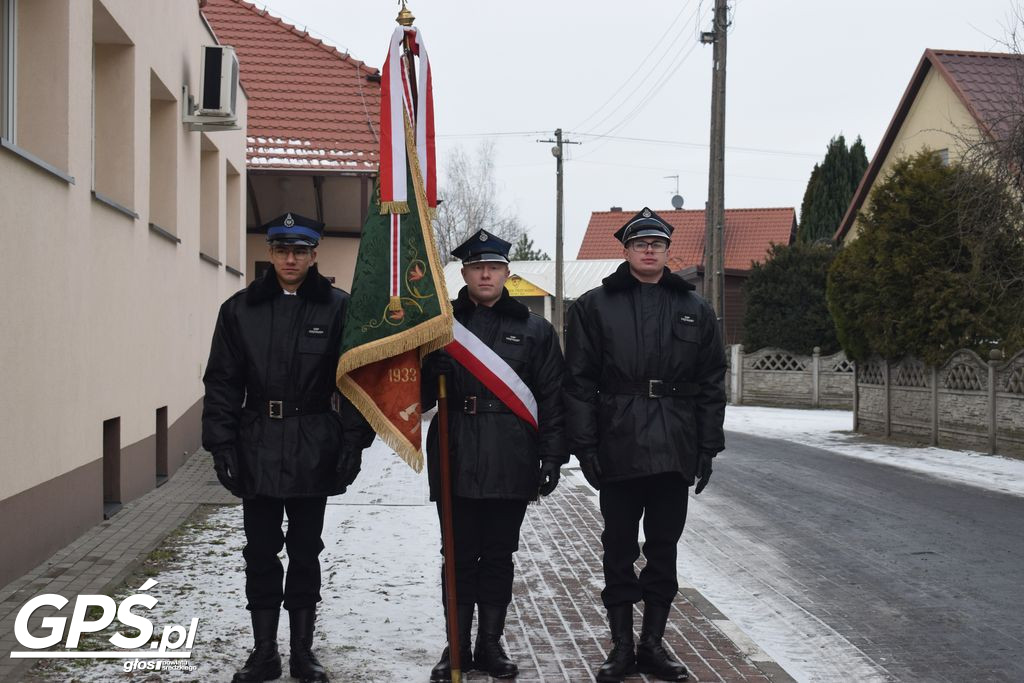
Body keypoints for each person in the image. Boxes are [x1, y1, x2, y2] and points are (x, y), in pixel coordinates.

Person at [202, 212, 375, 683]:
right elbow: (221, 382)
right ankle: (263, 653)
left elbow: (358, 381)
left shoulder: (339, 308)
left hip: (313, 442)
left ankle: (302, 652)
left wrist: (353, 443)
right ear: (271, 252)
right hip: (255, 441)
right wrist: (221, 446)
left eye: (300, 250)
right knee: (259, 552)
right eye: (282, 250)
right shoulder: (239, 309)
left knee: (304, 551)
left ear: (314, 254)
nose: (291, 259)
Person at [563, 207, 726, 683]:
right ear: (627, 250)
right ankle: (620, 647)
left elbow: (712, 381)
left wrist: (707, 446)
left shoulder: (695, 309)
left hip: (675, 445)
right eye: (640, 244)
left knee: (663, 550)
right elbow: (578, 383)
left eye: (657, 244)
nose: (649, 250)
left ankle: (652, 643)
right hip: (619, 443)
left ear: (668, 251)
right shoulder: (595, 306)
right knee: (617, 548)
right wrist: (585, 447)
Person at [421, 229, 567, 682]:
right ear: (462, 273)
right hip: (455, 448)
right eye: (476, 267)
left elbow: (553, 398)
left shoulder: (534, 329)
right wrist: (431, 372)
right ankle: (457, 647)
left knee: (500, 555)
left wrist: (552, 457)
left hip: (511, 454)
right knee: (458, 556)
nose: (485, 274)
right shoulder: (440, 327)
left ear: (507, 273)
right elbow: (415, 396)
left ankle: (490, 644)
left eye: (494, 267)